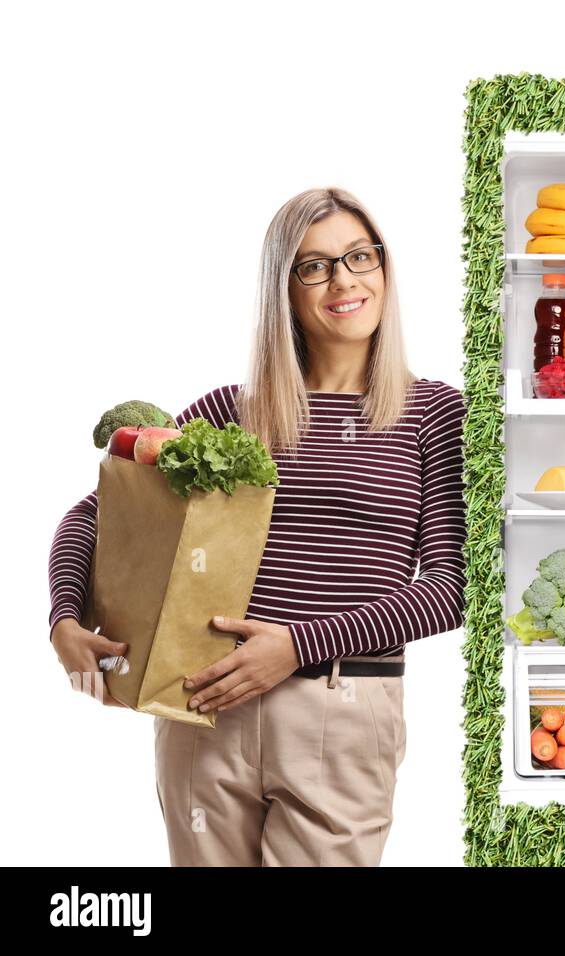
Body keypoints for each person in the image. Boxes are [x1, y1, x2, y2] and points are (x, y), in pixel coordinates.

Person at [47, 187, 467, 866]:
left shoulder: (435, 414)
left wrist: (299, 645)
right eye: (314, 266)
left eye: (360, 256)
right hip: (203, 708)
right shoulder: (229, 412)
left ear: (384, 267)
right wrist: (65, 620)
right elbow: (96, 514)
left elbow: (455, 586)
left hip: (343, 704)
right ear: (284, 288)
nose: (343, 281)